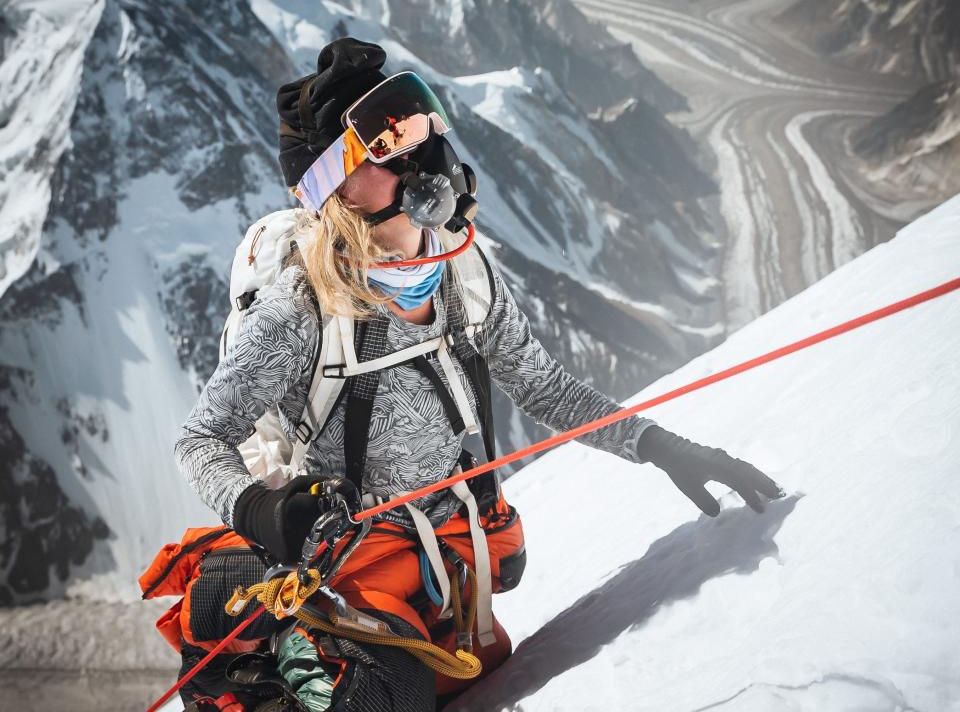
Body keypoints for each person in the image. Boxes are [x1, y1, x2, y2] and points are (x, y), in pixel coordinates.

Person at [171, 37, 784, 712]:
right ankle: (261, 664)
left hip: (448, 559)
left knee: (470, 676)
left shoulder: (464, 273)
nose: (422, 151)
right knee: (384, 698)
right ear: (334, 180)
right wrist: (263, 509)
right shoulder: (302, 309)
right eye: (387, 139)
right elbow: (201, 439)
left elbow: (544, 386)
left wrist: (659, 446)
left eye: (421, 126)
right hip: (350, 562)